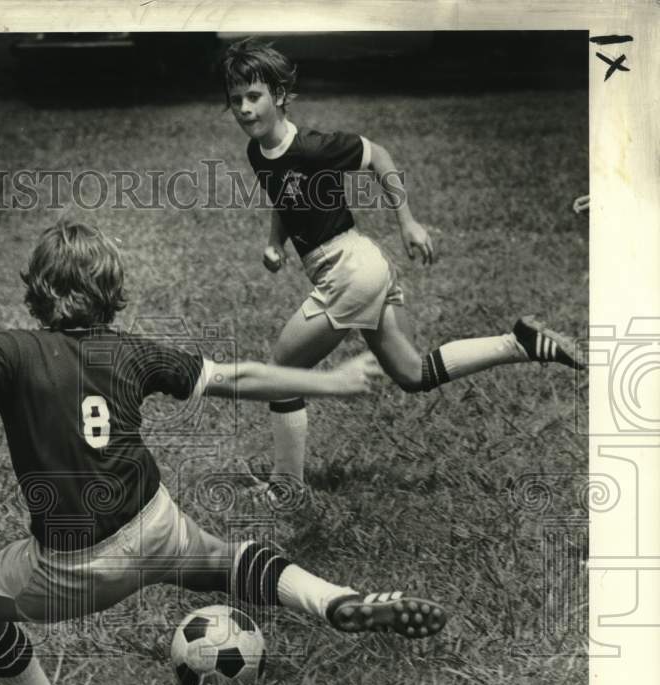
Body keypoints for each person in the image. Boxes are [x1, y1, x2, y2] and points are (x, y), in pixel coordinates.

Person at [0, 219, 448, 685]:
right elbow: (235, 377)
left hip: (74, 566)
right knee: (230, 560)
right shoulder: (132, 353)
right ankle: (336, 601)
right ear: (112, 295)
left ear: (37, 292)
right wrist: (332, 381)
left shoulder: (13, 351)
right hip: (153, 523)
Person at [220, 39, 585, 496]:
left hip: (350, 271)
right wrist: (275, 243)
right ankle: (522, 342)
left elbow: (378, 156)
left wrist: (408, 223)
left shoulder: (315, 147)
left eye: (253, 97)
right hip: (361, 266)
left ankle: (285, 488)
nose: (244, 109)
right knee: (414, 374)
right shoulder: (258, 154)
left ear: (278, 95)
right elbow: (284, 199)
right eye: (235, 100)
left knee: (279, 372)